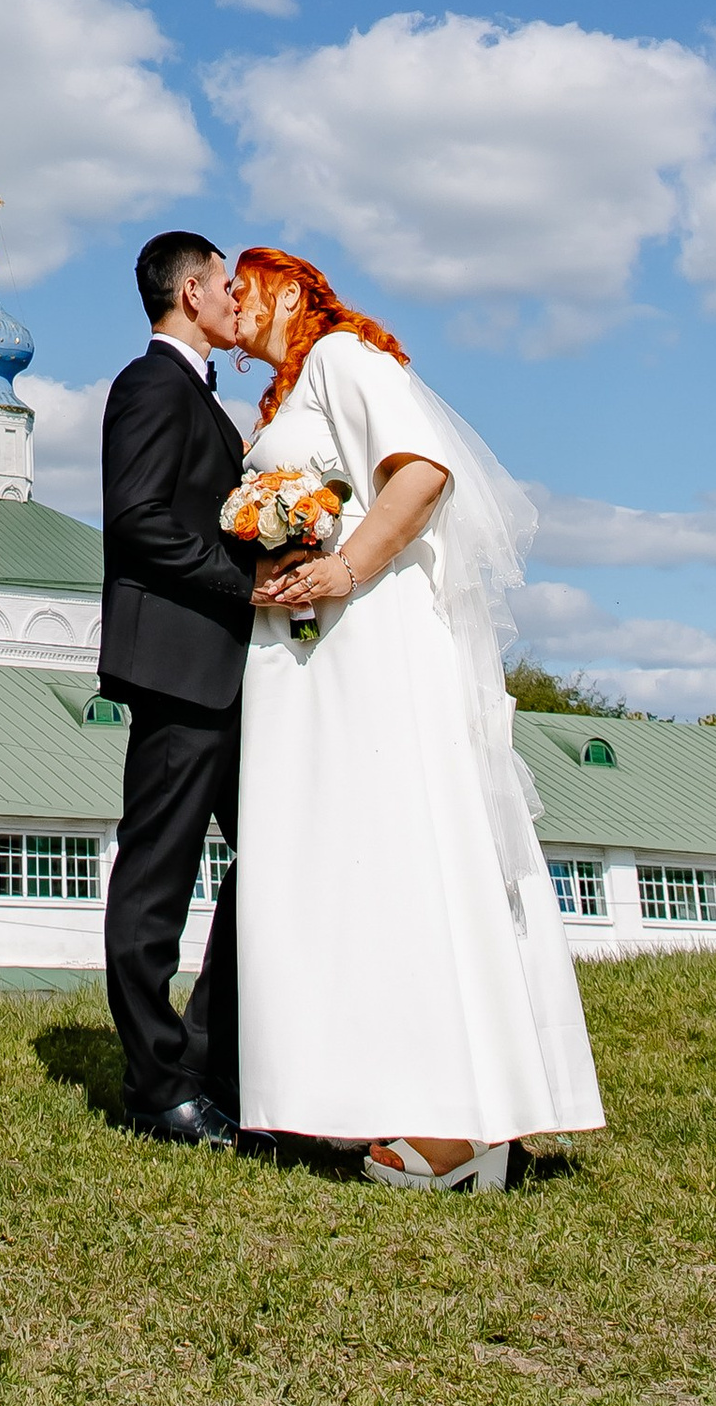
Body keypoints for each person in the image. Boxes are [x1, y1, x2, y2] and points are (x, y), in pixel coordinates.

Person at [228, 245, 603, 1189]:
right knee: (340, 862)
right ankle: (369, 1095)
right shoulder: (285, 394)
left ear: (286, 287)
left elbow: (422, 472)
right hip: (313, 650)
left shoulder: (346, 358)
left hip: (368, 639)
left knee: (401, 847)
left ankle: (457, 1119)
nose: (228, 303)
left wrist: (343, 569)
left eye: (241, 285)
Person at [95, 227, 257, 1146]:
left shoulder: (203, 399)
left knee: (266, 863)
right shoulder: (149, 384)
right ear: (191, 292)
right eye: (227, 286)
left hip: (231, 679)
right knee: (156, 882)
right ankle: (156, 1088)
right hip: (177, 671)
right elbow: (140, 521)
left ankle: (208, 1054)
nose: (238, 300)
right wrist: (247, 583)